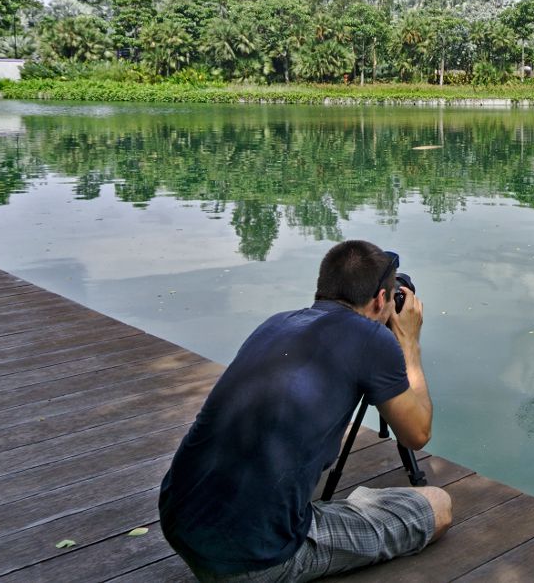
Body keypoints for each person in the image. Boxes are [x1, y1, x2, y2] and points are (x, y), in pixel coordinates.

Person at [159, 240, 451, 582]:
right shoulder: (374, 340)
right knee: (438, 504)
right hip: (256, 560)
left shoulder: (276, 324)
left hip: (180, 523)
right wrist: (409, 345)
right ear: (381, 300)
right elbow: (417, 434)